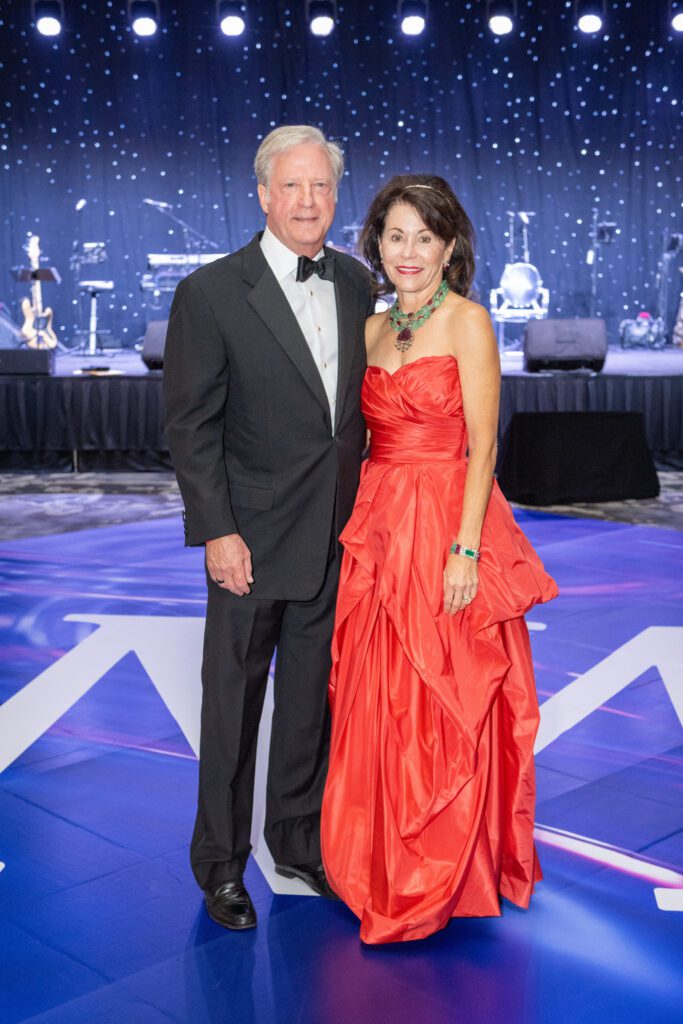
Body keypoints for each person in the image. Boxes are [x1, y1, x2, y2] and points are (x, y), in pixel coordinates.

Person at [320, 174, 559, 944]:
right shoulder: (370, 329)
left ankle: (449, 863)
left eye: (424, 236)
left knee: (446, 693)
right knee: (378, 693)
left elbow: (483, 444)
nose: (408, 251)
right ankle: (380, 854)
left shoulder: (468, 322)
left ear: (449, 247)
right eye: (395, 236)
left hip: (447, 521)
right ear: (376, 246)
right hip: (380, 521)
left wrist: (464, 550)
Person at [163, 126, 374, 930]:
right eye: (292, 187)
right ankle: (220, 866)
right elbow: (192, 428)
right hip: (248, 540)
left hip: (334, 537)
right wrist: (217, 531)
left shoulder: (355, 283)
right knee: (232, 709)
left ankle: (297, 844)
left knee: (308, 710)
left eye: (321, 186)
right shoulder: (212, 291)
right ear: (261, 193)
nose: (309, 202)